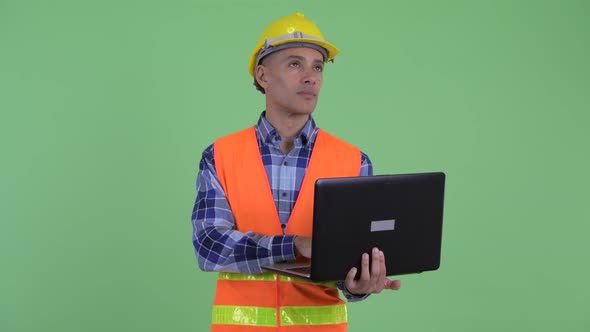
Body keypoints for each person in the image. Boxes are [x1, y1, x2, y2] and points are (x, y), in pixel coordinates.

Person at [191, 12, 401, 331]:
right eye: (294, 64)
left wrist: (358, 286)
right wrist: (294, 246)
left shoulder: (354, 161)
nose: (310, 76)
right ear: (263, 76)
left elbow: (352, 259)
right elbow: (209, 244)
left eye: (317, 66)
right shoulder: (220, 156)